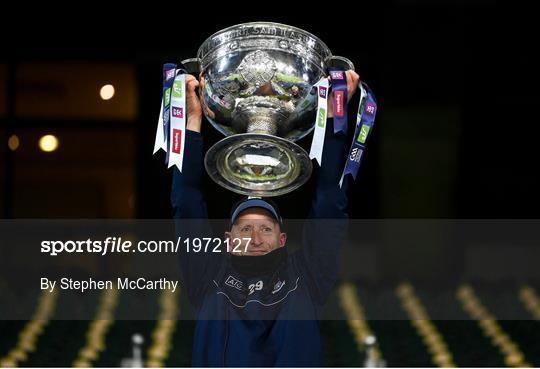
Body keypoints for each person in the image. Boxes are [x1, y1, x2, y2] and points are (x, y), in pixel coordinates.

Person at [171, 70, 360, 366]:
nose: (255, 239)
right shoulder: (208, 276)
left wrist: (337, 116)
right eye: (245, 229)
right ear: (229, 239)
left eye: (266, 229)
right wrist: (192, 120)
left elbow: (330, 206)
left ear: (282, 239)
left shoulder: (307, 277)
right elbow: (186, 205)